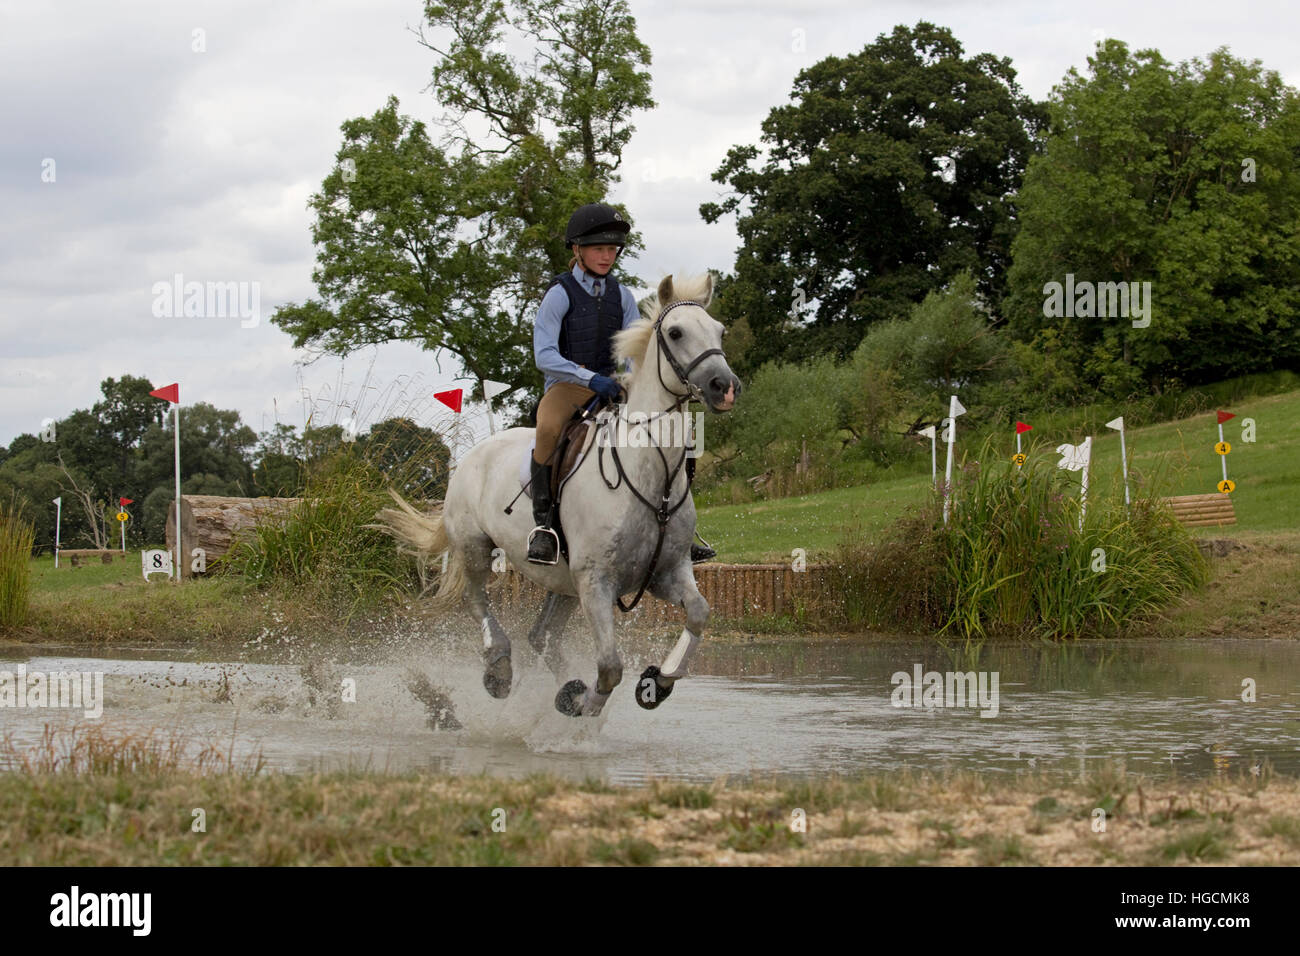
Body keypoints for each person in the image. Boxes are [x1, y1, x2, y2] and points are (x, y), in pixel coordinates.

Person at [528, 202, 717, 565]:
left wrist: (632, 381)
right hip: (568, 386)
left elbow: (636, 349)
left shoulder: (621, 295)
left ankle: (680, 529)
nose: (606, 256)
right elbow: (545, 355)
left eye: (612, 249)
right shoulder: (559, 294)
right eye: (599, 249)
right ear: (577, 250)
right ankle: (545, 527)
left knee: (676, 432)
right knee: (548, 429)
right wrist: (590, 378)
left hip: (614, 386)